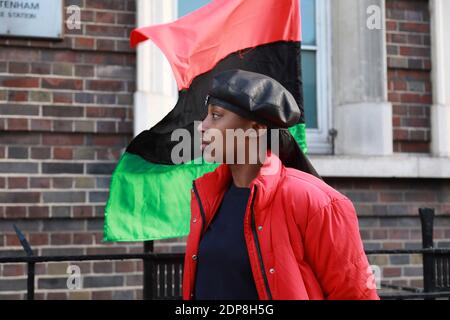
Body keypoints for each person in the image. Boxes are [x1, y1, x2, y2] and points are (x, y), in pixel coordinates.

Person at [182, 69, 380, 300]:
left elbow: (355, 295)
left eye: (216, 115)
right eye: (206, 115)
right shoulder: (207, 195)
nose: (202, 126)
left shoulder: (317, 202)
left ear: (256, 128)